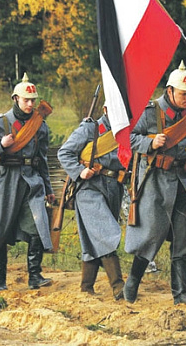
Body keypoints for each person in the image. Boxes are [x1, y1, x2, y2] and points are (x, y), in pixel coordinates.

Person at [124, 61, 186, 305]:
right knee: (150, 235)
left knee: (184, 237)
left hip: (184, 181)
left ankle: (181, 293)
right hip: (155, 181)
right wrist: (150, 143)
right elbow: (128, 138)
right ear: (170, 91)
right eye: (183, 94)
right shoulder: (150, 111)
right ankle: (132, 282)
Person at [0, 73, 55, 291]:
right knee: (1, 229)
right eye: (26, 100)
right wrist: (0, 144)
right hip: (7, 182)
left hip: (32, 181)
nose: (30, 104)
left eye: (33, 101)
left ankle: (35, 275)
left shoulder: (40, 126)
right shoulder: (1, 122)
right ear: (16, 99)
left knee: (37, 227)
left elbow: (42, 160)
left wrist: (47, 188)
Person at [57, 103, 126, 300]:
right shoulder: (90, 128)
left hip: (114, 187)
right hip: (89, 187)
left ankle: (86, 287)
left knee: (93, 236)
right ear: (105, 110)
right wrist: (80, 172)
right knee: (104, 232)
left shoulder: (126, 131)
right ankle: (118, 285)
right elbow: (64, 153)